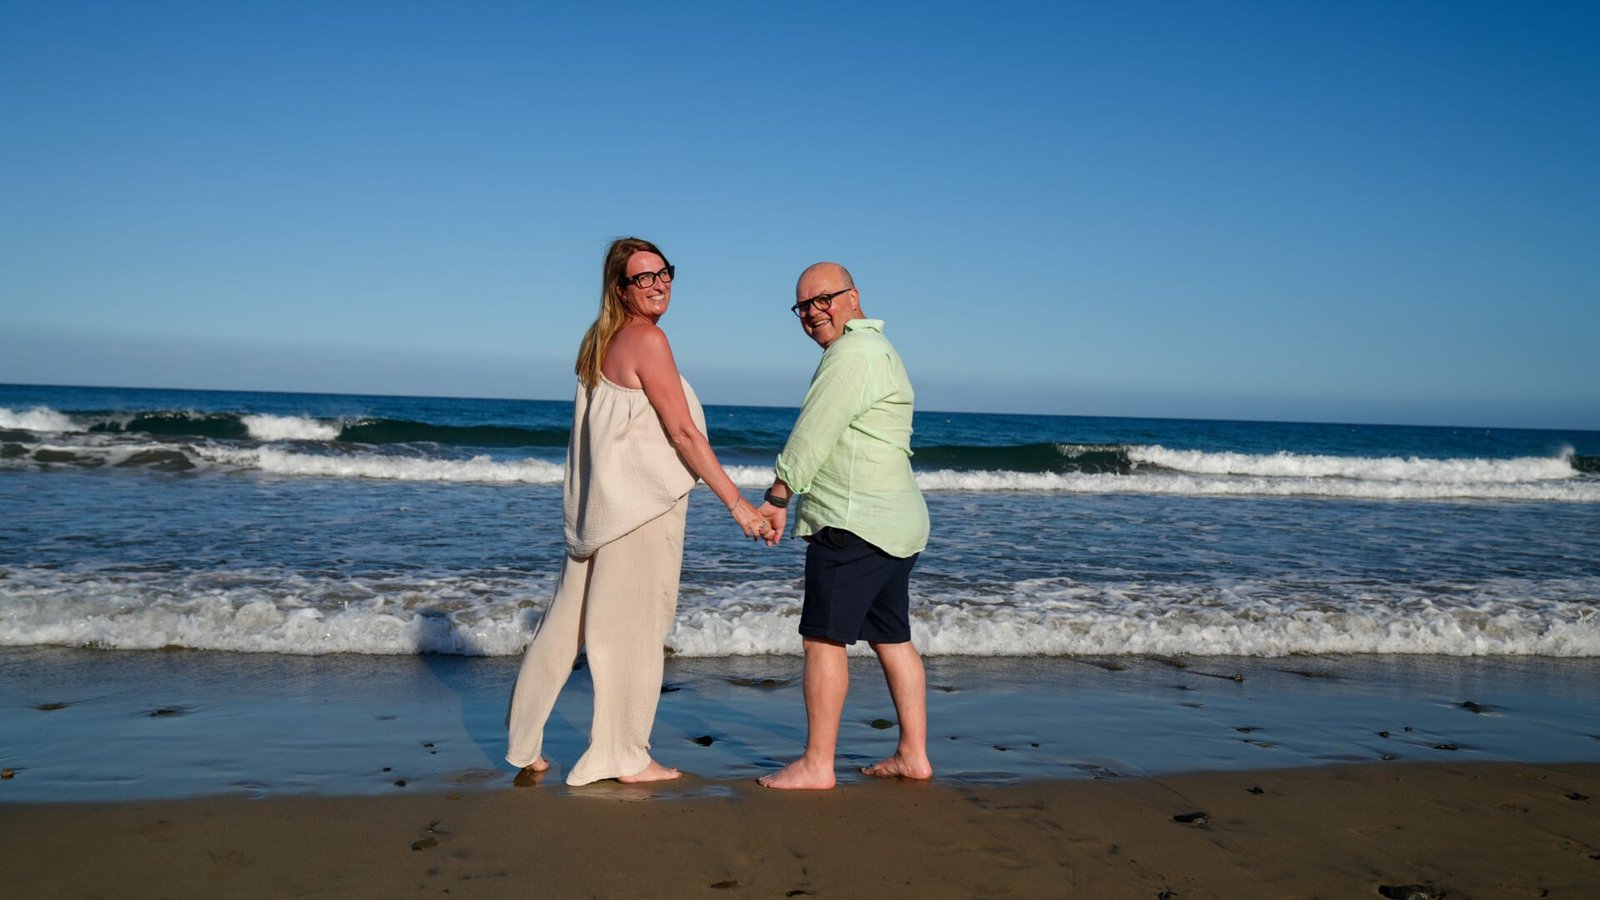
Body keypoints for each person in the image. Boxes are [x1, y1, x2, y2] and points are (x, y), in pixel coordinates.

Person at [506, 237, 769, 785]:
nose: (658, 285)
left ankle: (523, 745)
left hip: (596, 516)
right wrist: (738, 504)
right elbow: (682, 433)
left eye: (663, 273)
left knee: (564, 629)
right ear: (620, 288)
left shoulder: (598, 343)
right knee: (633, 634)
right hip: (639, 514)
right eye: (642, 278)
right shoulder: (648, 339)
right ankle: (622, 755)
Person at [754, 262, 932, 790]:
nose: (814, 312)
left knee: (823, 641)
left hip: (853, 522)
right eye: (804, 306)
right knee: (892, 636)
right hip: (894, 523)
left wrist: (778, 494)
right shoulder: (881, 351)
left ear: (853, 297)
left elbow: (815, 430)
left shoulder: (852, 354)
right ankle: (913, 755)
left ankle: (816, 764)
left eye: (824, 299)